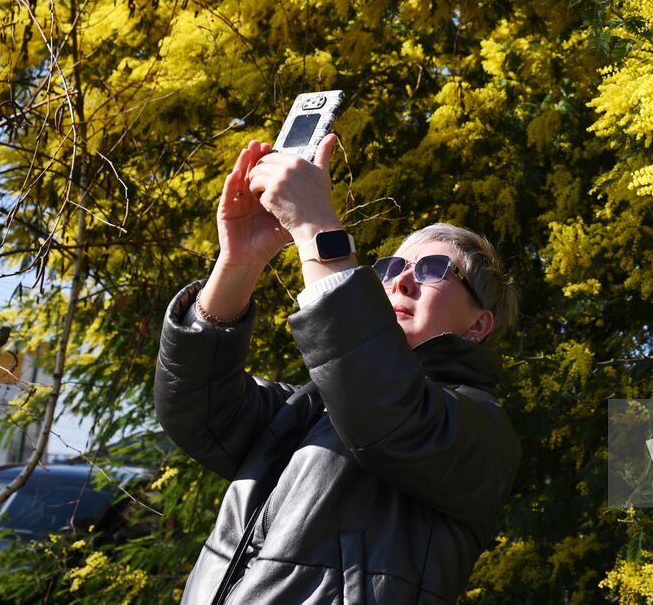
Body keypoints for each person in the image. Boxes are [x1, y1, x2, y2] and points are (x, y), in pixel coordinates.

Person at [154, 134, 521, 604]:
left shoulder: (482, 434)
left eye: (432, 269)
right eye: (390, 268)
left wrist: (315, 227)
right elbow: (195, 408)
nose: (402, 280)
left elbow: (382, 407)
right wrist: (238, 264)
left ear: (478, 325)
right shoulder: (308, 410)